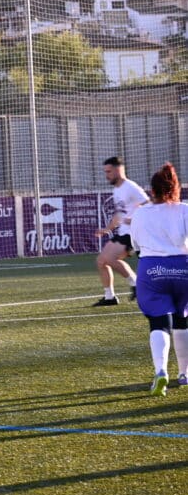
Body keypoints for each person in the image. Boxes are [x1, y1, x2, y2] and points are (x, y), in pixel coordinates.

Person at [130, 163, 188, 396]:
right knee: (183, 319)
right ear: (175, 188)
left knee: (159, 322)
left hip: (152, 269)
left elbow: (135, 245)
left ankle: (161, 371)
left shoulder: (141, 213)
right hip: (183, 267)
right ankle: (184, 374)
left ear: (152, 190)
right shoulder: (184, 210)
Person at [92, 156, 149, 306]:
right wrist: (107, 229)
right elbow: (119, 215)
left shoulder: (131, 187)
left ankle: (136, 284)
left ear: (118, 170)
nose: (107, 175)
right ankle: (109, 297)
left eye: (109, 171)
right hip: (122, 232)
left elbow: (149, 204)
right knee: (101, 261)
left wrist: (136, 219)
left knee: (111, 258)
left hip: (133, 233)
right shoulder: (117, 189)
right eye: (105, 172)